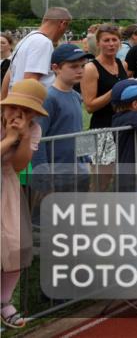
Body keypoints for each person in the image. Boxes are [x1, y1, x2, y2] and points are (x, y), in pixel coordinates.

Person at [1, 80, 48, 329]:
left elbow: (18, 166)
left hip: (7, 185)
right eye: (15, 107)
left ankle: (3, 300)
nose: (19, 114)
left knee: (17, 244)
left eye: (28, 110)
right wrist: (9, 138)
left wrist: (24, 135)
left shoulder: (33, 129)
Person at [32, 44, 92, 168]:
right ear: (56, 68)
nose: (80, 70)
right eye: (73, 66)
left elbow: (78, 130)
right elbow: (38, 139)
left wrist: (86, 160)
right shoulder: (48, 98)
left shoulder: (76, 95)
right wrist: (43, 175)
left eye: (83, 66)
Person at [81, 24, 128, 174]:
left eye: (114, 40)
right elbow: (89, 106)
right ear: (99, 43)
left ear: (120, 42)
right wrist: (113, 92)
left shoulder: (123, 64)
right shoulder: (90, 68)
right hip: (101, 129)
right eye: (106, 40)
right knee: (100, 180)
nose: (111, 44)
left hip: (122, 126)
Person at [1, 7, 72, 99]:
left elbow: (9, 75)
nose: (64, 32)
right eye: (66, 27)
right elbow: (30, 83)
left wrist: (3, 102)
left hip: (17, 101)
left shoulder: (26, 39)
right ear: (63, 23)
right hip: (32, 106)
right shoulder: (43, 42)